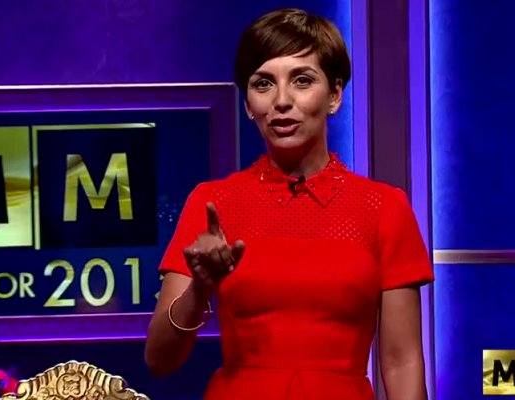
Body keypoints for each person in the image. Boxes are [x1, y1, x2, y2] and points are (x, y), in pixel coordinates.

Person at [144, 8, 434, 400]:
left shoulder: (384, 207)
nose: (282, 100)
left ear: (334, 95)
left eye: (302, 80)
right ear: (248, 104)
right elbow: (159, 359)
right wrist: (200, 288)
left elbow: (402, 363)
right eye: (263, 84)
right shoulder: (213, 202)